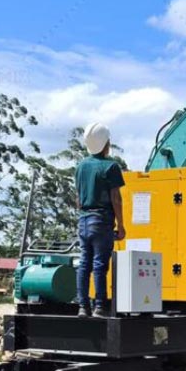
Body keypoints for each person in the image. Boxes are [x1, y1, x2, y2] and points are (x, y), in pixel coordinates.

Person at [75, 122, 126, 318]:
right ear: (106, 143)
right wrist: (121, 225)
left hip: (84, 220)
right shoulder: (111, 166)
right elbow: (116, 198)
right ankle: (99, 307)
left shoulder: (81, 166)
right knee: (99, 264)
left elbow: (78, 199)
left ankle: (82, 306)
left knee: (84, 263)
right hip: (102, 220)